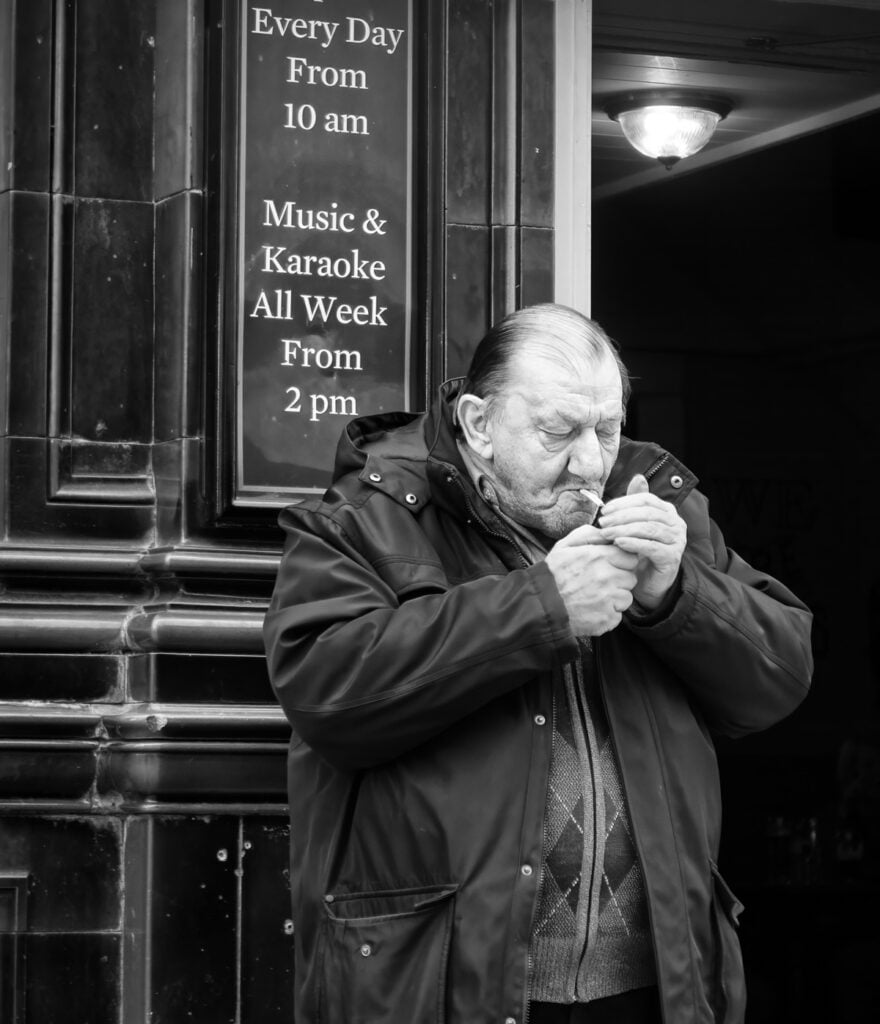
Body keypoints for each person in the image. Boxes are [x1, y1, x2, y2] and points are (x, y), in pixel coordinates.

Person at [263, 303, 813, 1024]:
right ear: (479, 425)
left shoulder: (655, 504)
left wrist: (676, 591)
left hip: (656, 987)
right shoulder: (361, 520)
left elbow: (779, 678)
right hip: (447, 986)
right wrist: (542, 607)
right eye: (559, 431)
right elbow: (325, 693)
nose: (591, 460)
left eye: (608, 429)